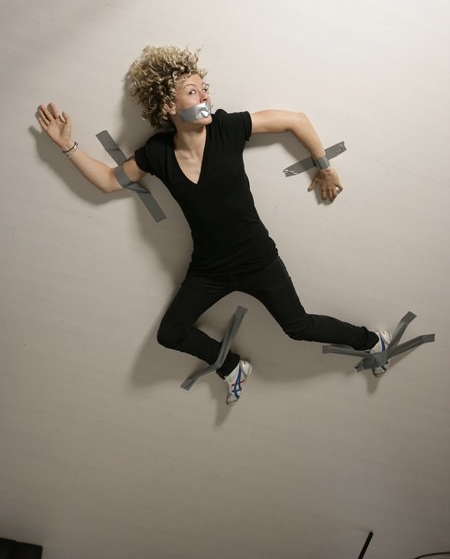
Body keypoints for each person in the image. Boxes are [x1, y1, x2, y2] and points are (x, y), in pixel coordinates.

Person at [37, 45, 391, 406]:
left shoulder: (226, 128)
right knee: (170, 334)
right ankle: (232, 366)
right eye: (193, 92)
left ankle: (373, 341)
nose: (206, 96)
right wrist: (68, 146)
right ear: (169, 105)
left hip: (258, 261)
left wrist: (324, 167)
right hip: (209, 270)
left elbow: (295, 120)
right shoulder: (157, 153)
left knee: (298, 328)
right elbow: (110, 181)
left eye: (205, 88)